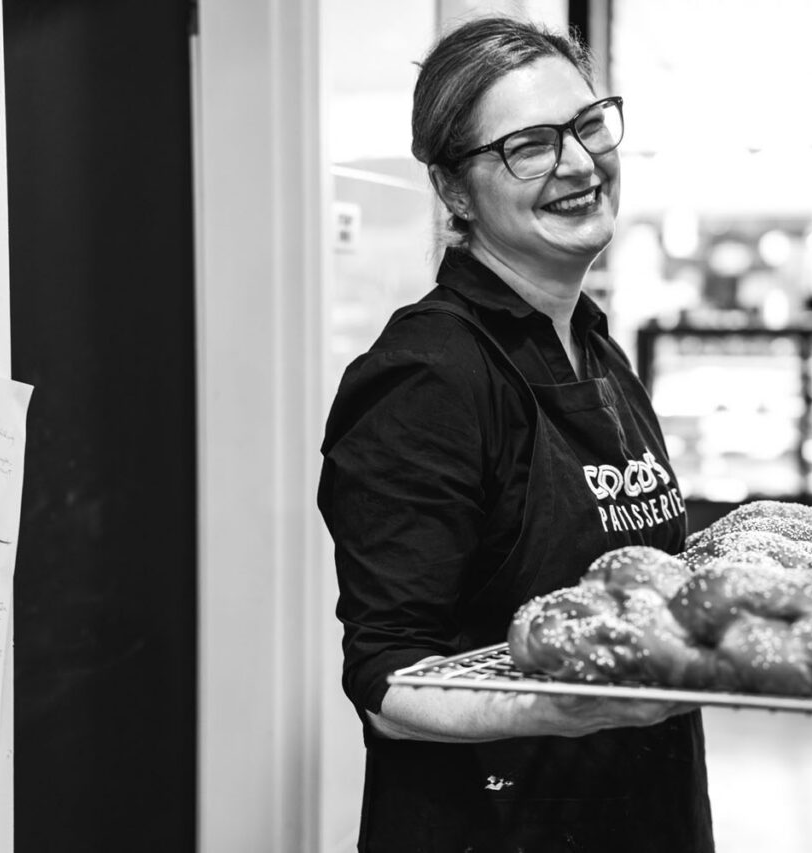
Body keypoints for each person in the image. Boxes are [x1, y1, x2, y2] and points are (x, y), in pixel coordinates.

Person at [318, 15, 715, 852]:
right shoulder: (427, 376)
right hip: (498, 823)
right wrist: (560, 704)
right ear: (455, 191)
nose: (579, 163)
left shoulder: (597, 348)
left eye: (588, 124)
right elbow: (387, 677)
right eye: (529, 146)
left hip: (645, 812)